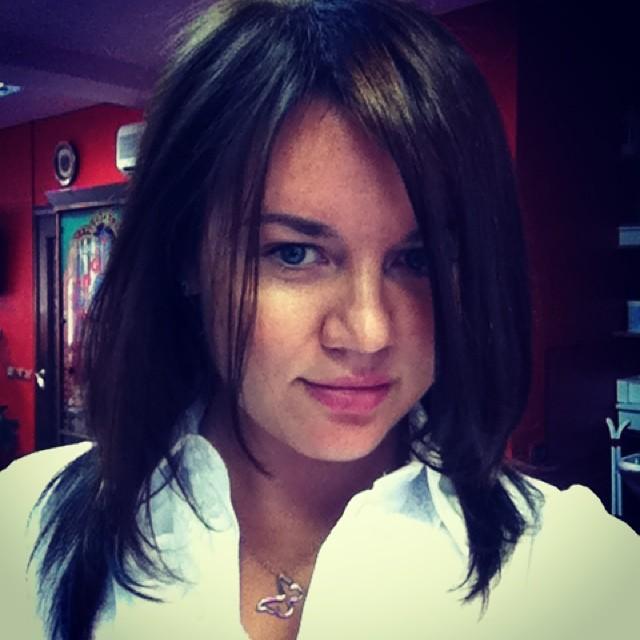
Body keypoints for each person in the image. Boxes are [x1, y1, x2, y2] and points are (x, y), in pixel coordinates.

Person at [1, 1, 638, 638]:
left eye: (417, 259)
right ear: (186, 252)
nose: (368, 331)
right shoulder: (24, 534)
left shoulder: (569, 574)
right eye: (295, 254)